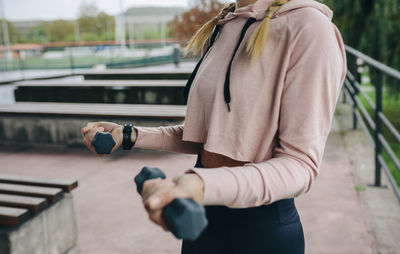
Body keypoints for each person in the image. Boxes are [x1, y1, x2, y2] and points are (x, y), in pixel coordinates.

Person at [82, 0, 346, 253]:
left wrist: (199, 184)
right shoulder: (222, 28)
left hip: (261, 231)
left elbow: (300, 165)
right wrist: (130, 135)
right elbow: (209, 135)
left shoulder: (311, 29)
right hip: (202, 217)